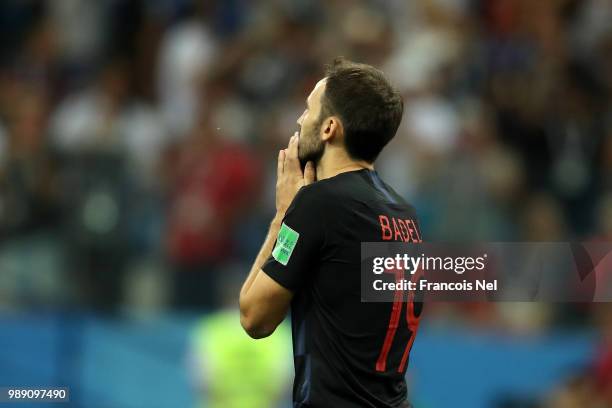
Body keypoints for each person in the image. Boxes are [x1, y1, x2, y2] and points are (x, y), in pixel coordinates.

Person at [239, 57, 423, 408]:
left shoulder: (319, 205)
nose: (299, 119)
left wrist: (283, 215)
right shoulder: (405, 214)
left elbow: (254, 317)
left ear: (329, 128)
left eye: (309, 109)